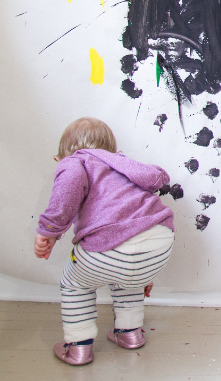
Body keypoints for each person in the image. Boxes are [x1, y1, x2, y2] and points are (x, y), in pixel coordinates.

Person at [34, 117, 175, 366]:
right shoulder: (123, 164)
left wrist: (49, 231)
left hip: (111, 247)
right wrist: (143, 271)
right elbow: (148, 194)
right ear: (113, 152)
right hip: (159, 240)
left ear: (61, 159)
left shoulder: (75, 163)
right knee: (127, 280)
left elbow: (65, 196)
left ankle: (78, 347)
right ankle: (130, 333)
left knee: (74, 284)